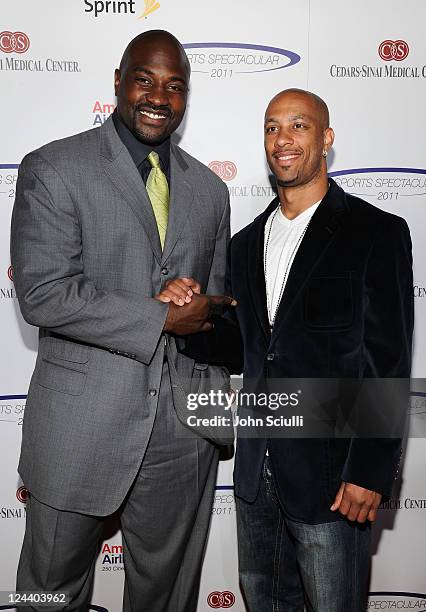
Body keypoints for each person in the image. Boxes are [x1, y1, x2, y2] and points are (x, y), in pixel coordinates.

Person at [156, 88, 414, 611]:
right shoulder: (246, 242)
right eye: (272, 127)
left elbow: (388, 360)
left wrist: (370, 470)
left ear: (327, 139)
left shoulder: (375, 232)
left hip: (333, 480)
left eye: (298, 126)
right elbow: (246, 347)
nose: (283, 139)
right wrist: (188, 315)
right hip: (255, 476)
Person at [11, 29, 235, 612]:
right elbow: (42, 293)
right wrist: (158, 315)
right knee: (46, 595)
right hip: (78, 429)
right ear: (118, 80)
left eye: (175, 86)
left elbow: (215, 303)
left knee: (168, 597)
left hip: (183, 435)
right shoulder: (54, 168)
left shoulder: (210, 191)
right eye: (145, 79)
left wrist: (202, 308)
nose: (159, 96)